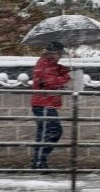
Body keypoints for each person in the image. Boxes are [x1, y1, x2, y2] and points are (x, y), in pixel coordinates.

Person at [31, 41, 70, 170]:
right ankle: (39, 161)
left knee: (45, 133)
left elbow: (59, 71)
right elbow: (51, 83)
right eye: (59, 54)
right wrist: (65, 78)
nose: (60, 57)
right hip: (43, 104)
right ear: (52, 53)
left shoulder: (51, 65)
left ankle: (39, 161)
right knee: (52, 131)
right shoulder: (42, 64)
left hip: (47, 104)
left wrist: (66, 70)